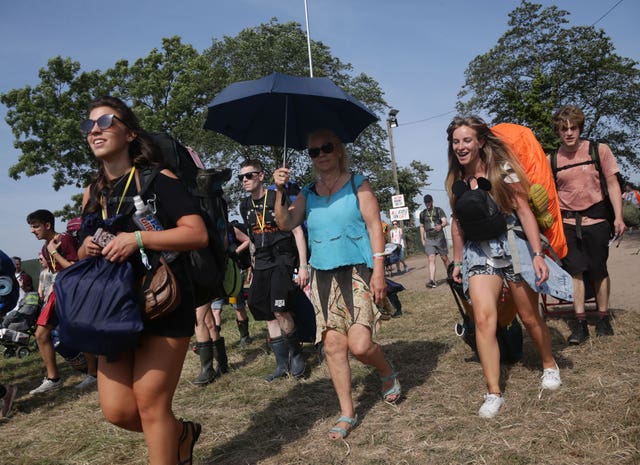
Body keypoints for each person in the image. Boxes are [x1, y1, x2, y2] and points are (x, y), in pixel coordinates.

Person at [76, 96, 207, 464]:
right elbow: (86, 241)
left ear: (130, 132)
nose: (95, 130)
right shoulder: (94, 192)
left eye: (105, 121)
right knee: (117, 410)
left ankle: (169, 442)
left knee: (151, 405)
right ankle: (181, 434)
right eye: (89, 126)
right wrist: (86, 247)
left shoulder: (157, 179)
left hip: (161, 300)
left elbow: (195, 234)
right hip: (113, 308)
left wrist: (138, 238)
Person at [273, 128, 400, 441]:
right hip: (323, 275)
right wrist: (278, 191)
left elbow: (374, 227)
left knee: (360, 346)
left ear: (339, 149)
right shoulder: (307, 192)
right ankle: (347, 412)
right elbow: (285, 223)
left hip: (358, 271)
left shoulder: (359, 183)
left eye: (326, 147)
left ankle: (385, 371)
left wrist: (380, 270)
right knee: (332, 345)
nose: (321, 155)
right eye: (313, 151)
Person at [446, 116, 562, 419]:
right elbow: (458, 223)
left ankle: (549, 364)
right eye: (456, 141)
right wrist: (458, 260)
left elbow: (524, 211)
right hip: (479, 252)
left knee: (528, 316)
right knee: (484, 321)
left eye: (467, 140)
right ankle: (493, 391)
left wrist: (537, 253)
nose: (461, 146)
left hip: (512, 244)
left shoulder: (503, 169)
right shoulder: (454, 179)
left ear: (481, 141)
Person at [552, 106, 626, 344]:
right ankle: (580, 322)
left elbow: (613, 184)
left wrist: (618, 217)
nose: (569, 133)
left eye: (573, 127)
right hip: (567, 223)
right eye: (564, 129)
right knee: (576, 271)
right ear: (559, 132)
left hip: (597, 220)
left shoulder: (599, 150)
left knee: (598, 269)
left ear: (580, 128)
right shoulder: (552, 159)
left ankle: (603, 318)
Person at [238, 159, 309, 382]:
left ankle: (297, 354)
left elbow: (297, 231)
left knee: (280, 309)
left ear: (261, 176)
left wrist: (304, 266)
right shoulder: (244, 205)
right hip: (261, 262)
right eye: (241, 177)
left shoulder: (276, 197)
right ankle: (281, 364)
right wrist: (252, 264)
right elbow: (251, 237)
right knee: (267, 312)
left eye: (249, 176)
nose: (244, 181)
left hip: (282, 260)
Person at [26, 209, 79, 394]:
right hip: (59, 293)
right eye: (31, 227)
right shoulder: (45, 248)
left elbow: (76, 268)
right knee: (41, 334)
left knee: (83, 330)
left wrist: (55, 253)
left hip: (72, 291)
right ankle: (53, 378)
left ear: (48, 225)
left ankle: (93, 373)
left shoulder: (64, 240)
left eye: (35, 226)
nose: (32, 231)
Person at [419, 194, 450, 288]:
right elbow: (421, 226)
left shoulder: (438, 210)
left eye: (429, 202)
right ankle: (432, 281)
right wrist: (422, 238)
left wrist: (441, 225)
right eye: (426, 202)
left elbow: (445, 221)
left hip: (439, 237)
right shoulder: (422, 213)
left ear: (432, 201)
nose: (427, 203)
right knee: (431, 258)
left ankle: (451, 275)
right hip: (429, 238)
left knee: (444, 258)